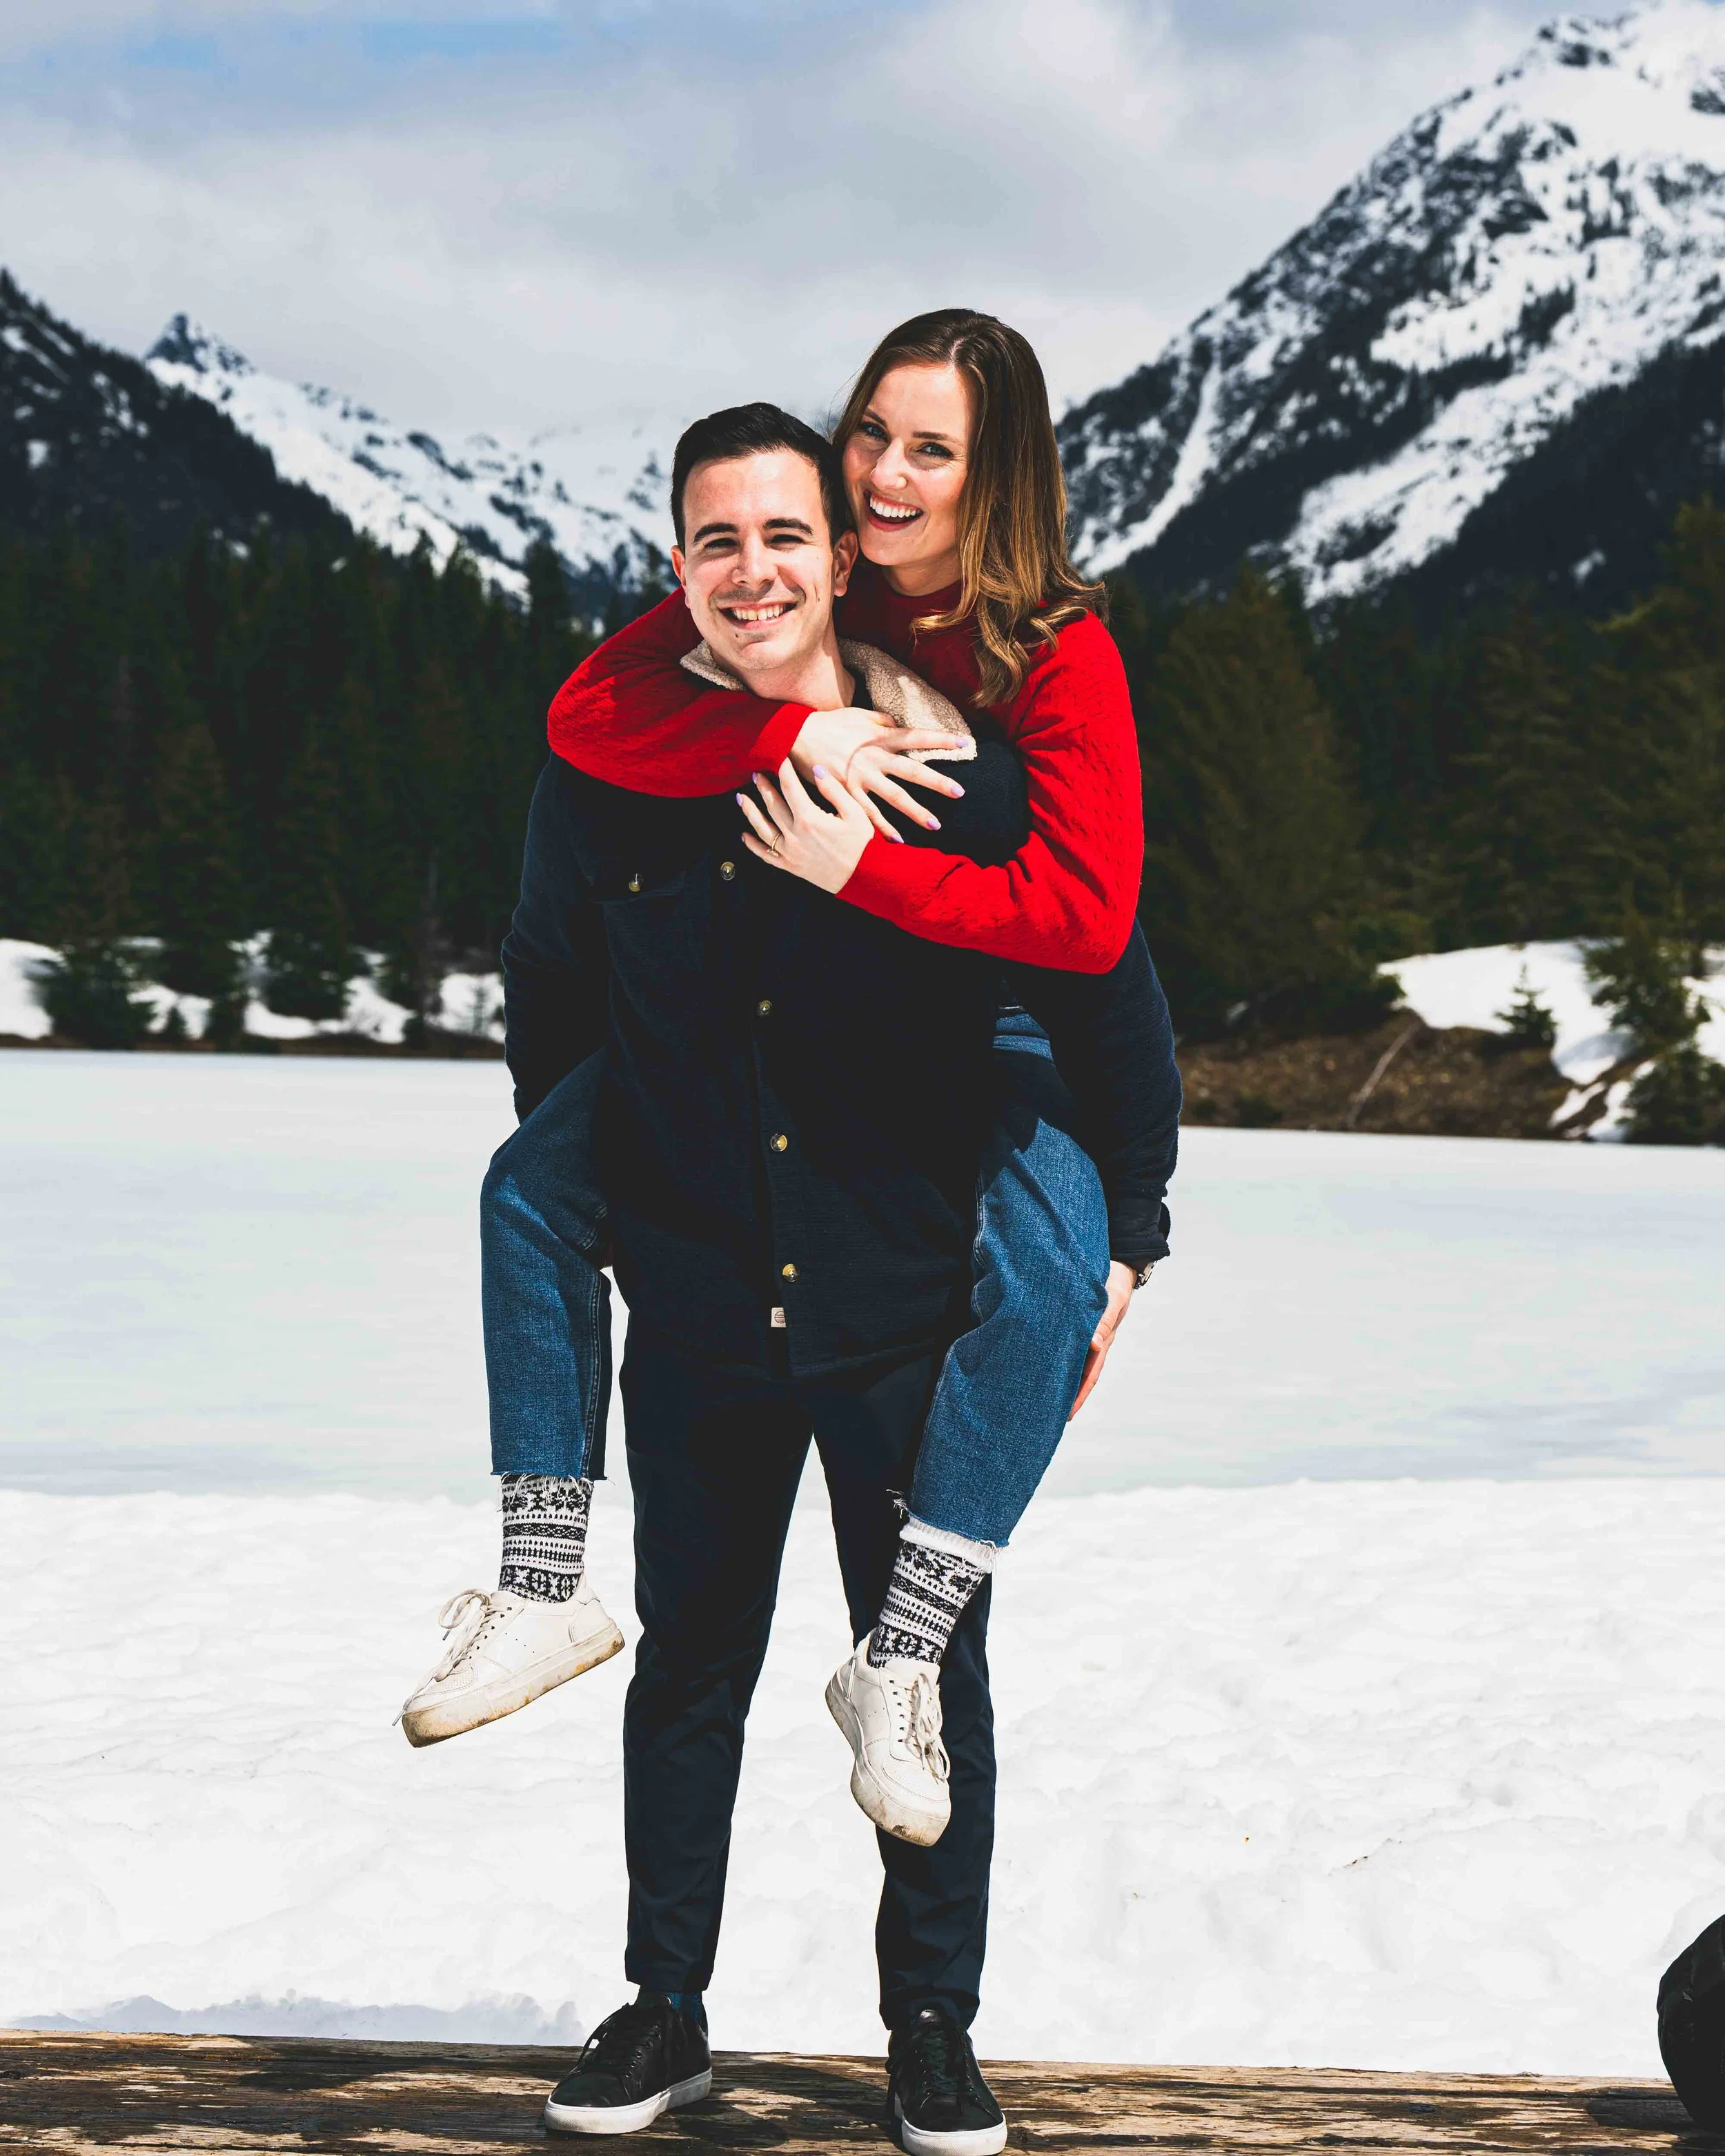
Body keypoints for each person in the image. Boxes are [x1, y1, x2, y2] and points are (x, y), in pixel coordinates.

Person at [466, 401, 1170, 2146]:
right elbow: (546, 980)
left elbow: (1101, 982)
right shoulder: (602, 772)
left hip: (897, 1298)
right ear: (678, 570)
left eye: (785, 535)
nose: (753, 569)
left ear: (840, 558)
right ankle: (663, 2005)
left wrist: (1129, 1221)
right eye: (717, 541)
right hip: (698, 1296)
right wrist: (600, 1179)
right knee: (687, 1668)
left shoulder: (947, 765)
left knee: (924, 1678)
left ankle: (930, 2024)